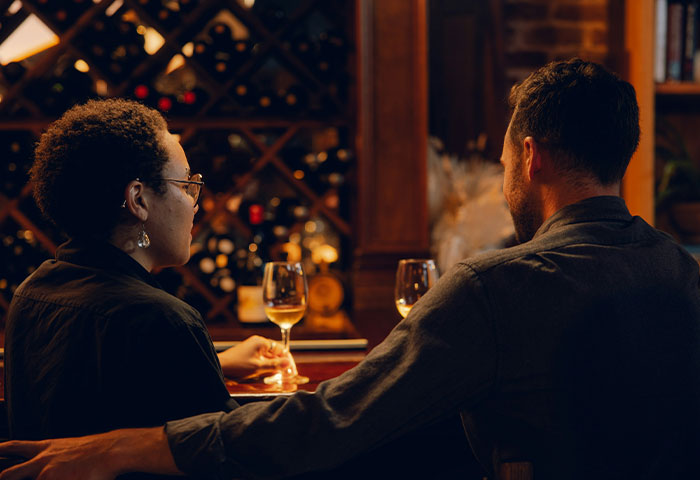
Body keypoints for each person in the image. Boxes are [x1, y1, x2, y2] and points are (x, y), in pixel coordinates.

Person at [2, 58, 700, 480]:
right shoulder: (683, 272)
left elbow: (331, 421)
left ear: (530, 158)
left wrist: (132, 447)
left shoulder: (496, 287)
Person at [3, 99, 289, 443]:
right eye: (186, 185)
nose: (195, 204)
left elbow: (96, 386)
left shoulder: (32, 292)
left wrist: (216, 362)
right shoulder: (162, 320)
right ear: (138, 200)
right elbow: (225, 456)